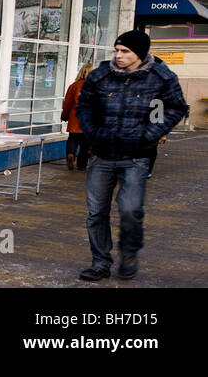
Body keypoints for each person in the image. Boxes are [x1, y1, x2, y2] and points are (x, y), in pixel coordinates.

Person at [76, 30, 188, 282]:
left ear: (140, 53)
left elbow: (177, 107)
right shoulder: (101, 75)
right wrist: (93, 132)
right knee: (96, 213)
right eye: (116, 50)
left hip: (136, 157)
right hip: (102, 156)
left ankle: (129, 255)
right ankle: (100, 262)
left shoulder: (161, 77)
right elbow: (84, 105)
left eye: (125, 51)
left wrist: (151, 133)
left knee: (130, 210)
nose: (118, 55)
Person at [61, 62, 93, 171]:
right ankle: (81, 165)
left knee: (73, 139)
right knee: (86, 144)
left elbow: (67, 103)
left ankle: (71, 154)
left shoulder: (74, 86)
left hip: (75, 118)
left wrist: (65, 115)